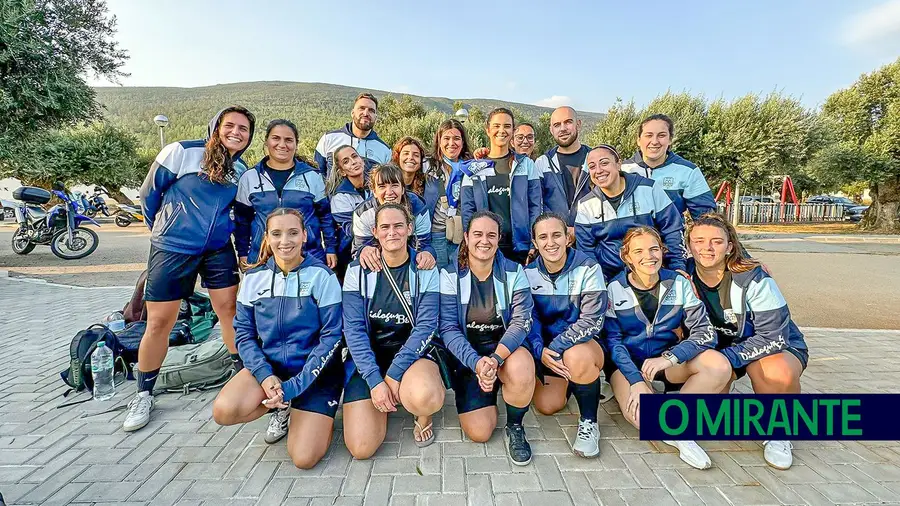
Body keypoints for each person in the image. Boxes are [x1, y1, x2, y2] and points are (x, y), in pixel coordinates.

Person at [126, 106, 255, 432]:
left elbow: (238, 213)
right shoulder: (181, 152)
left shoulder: (240, 169)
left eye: (244, 129)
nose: (237, 133)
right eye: (231, 126)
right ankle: (143, 394)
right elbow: (149, 194)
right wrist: (162, 229)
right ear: (216, 127)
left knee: (231, 312)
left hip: (217, 250)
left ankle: (244, 376)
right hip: (172, 248)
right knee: (159, 323)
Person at [212, 208, 344, 468]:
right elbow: (245, 334)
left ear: (305, 236)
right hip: (272, 370)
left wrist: (294, 386)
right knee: (223, 411)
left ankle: (297, 404)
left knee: (304, 459)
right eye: (277, 234)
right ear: (267, 238)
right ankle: (280, 406)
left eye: (293, 233)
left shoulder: (323, 276)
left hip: (315, 374)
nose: (285, 241)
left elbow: (331, 338)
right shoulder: (253, 278)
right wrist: (264, 375)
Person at [686, 213, 809, 470]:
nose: (706, 248)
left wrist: (727, 359)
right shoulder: (682, 274)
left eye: (716, 242)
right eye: (699, 241)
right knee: (709, 415)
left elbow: (773, 336)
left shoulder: (753, 277)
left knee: (775, 372)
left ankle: (779, 431)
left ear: (730, 246)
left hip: (772, 346)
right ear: (689, 244)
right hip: (723, 348)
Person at [605, 226, 731, 470]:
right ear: (626, 256)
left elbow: (705, 333)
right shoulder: (614, 288)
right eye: (638, 251)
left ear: (663, 251)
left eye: (654, 249)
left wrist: (671, 357)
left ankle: (676, 419)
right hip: (629, 366)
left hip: (668, 363)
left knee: (718, 365)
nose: (648, 256)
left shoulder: (679, 283)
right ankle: (677, 425)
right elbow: (613, 342)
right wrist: (636, 381)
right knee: (643, 419)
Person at [342, 204, 445, 456]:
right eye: (385, 227)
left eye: (399, 226)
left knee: (424, 395)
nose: (392, 233)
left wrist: (395, 373)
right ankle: (381, 401)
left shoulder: (425, 268)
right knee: (361, 448)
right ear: (375, 232)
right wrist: (376, 381)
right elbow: (353, 330)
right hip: (371, 357)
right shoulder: (357, 271)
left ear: (410, 229)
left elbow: (426, 326)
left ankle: (422, 414)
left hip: (414, 356)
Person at [440, 211, 537, 466]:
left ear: (498, 238)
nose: (485, 241)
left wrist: (494, 359)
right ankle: (490, 387)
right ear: (467, 237)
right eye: (478, 234)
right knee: (480, 432)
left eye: (491, 235)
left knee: (522, 367)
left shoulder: (515, 271)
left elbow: (521, 322)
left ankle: (515, 426)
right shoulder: (450, 275)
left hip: (504, 352)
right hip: (469, 357)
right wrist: (477, 363)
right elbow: (448, 328)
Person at [525, 213, 608, 458]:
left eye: (556, 235)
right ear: (535, 243)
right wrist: (540, 351)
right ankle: (576, 383)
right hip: (549, 352)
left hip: (582, 346)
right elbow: (529, 320)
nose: (550, 242)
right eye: (543, 237)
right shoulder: (528, 273)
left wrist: (556, 346)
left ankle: (589, 423)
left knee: (578, 356)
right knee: (547, 406)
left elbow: (592, 319)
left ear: (567, 238)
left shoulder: (589, 268)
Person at [234, 119, 337, 269]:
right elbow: (242, 220)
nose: (282, 145)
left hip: (308, 255)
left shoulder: (312, 177)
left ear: (296, 144)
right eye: (276, 138)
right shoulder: (250, 177)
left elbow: (325, 216)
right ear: (266, 142)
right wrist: (242, 252)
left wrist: (330, 248)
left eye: (289, 140)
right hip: (261, 257)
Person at [574, 145, 686, 281]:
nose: (598, 170)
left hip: (653, 273)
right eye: (592, 167)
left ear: (618, 164)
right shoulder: (585, 205)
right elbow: (586, 250)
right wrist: (599, 281)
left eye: (604, 163)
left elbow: (672, 229)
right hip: (610, 278)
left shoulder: (649, 189)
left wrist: (677, 267)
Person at [460, 108, 542, 265]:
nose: (501, 131)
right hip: (485, 246)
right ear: (488, 129)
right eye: (496, 126)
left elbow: (535, 207)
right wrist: (470, 242)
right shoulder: (475, 167)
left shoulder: (526, 164)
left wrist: (534, 244)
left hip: (520, 248)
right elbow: (468, 210)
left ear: (512, 130)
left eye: (507, 126)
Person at [621, 114, 716, 220]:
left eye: (661, 135)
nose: (655, 141)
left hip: (671, 235)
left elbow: (706, 218)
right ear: (638, 140)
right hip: (629, 236)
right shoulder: (622, 170)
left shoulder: (688, 171)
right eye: (648, 135)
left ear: (670, 139)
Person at [352, 164, 436, 272]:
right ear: (374, 191)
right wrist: (363, 250)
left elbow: (424, 244)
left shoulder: (418, 208)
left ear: (402, 189)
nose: (389, 192)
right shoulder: (363, 213)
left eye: (395, 185)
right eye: (382, 186)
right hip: (378, 263)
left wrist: (427, 254)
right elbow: (359, 246)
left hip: (408, 259)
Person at [393, 136, 450, 266]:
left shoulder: (430, 185)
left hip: (423, 242)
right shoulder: (389, 184)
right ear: (398, 157)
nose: (410, 158)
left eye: (416, 155)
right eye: (406, 153)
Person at [536, 106, 593, 230]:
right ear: (551, 130)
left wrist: (578, 230)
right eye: (557, 125)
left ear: (578, 124)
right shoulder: (542, 162)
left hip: (590, 237)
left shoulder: (594, 160)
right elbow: (537, 204)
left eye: (568, 122)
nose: (563, 128)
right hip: (556, 238)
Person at [314, 93, 391, 177]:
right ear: (352, 113)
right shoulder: (328, 139)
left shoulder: (385, 150)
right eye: (361, 108)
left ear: (375, 117)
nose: (366, 113)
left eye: (371, 110)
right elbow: (317, 175)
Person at [431, 119, 474, 251]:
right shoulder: (429, 166)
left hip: (462, 234)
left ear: (462, 142)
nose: (451, 143)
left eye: (456, 138)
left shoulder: (471, 167)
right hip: (436, 235)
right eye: (446, 138)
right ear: (439, 141)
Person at [327, 145, 369, 281]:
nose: (353, 162)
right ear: (342, 172)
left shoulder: (376, 186)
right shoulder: (340, 197)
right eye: (346, 161)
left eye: (354, 156)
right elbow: (351, 229)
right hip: (349, 253)